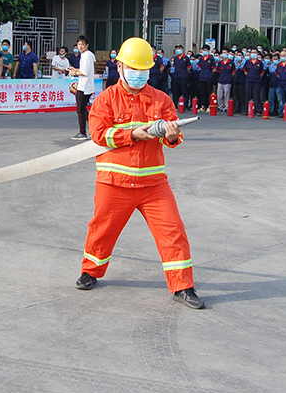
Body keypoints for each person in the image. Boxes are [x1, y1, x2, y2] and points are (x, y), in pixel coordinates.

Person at [75, 37, 204, 310]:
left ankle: (183, 285)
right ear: (119, 67)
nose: (138, 75)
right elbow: (99, 135)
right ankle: (91, 271)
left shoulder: (161, 99)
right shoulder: (105, 100)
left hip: (153, 184)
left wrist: (171, 135)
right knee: (102, 229)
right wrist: (132, 134)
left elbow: (174, 140)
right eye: (133, 69)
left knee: (173, 231)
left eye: (143, 70)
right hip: (114, 182)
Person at [67, 35, 96, 140]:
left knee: (80, 110)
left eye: (82, 44)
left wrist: (74, 72)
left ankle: (83, 132)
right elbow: (84, 70)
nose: (80, 46)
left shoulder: (87, 55)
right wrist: (75, 69)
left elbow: (84, 72)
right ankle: (94, 128)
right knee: (82, 109)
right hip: (84, 86)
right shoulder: (86, 55)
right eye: (78, 44)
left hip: (84, 87)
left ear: (87, 45)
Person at [242, 48, 264, 114]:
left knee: (256, 96)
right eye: (252, 52)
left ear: (257, 54)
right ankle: (246, 110)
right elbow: (245, 71)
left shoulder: (260, 63)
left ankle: (258, 110)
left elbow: (262, 72)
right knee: (247, 95)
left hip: (257, 81)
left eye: (255, 52)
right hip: (248, 80)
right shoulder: (248, 62)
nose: (253, 54)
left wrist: (257, 77)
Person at [170, 44, 191, 110]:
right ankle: (175, 105)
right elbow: (174, 67)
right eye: (177, 48)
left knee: (184, 92)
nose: (178, 50)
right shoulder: (176, 58)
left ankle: (185, 105)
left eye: (179, 48)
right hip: (176, 77)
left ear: (182, 49)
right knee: (175, 92)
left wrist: (185, 75)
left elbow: (188, 68)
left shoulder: (186, 58)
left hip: (183, 77)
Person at [197, 46, 215, 112]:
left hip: (209, 78)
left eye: (206, 50)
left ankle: (209, 106)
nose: (204, 51)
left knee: (209, 92)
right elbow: (200, 67)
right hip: (202, 77)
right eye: (203, 50)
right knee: (202, 92)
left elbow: (214, 68)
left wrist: (209, 74)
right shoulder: (201, 58)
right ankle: (203, 106)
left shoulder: (211, 58)